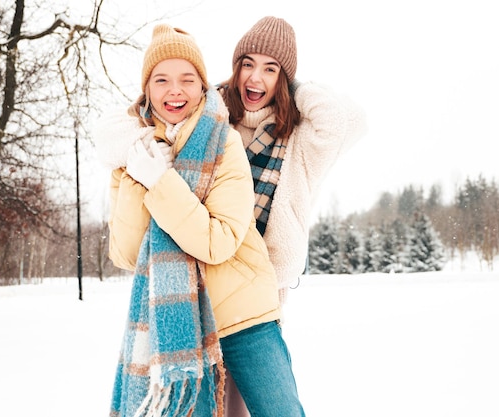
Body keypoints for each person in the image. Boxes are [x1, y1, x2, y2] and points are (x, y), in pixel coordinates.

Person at [93, 24, 306, 417]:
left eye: (187, 79)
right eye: (162, 80)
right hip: (179, 326)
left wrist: (161, 182)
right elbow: (126, 253)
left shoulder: (224, 142)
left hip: (245, 317)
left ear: (203, 87)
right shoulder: (134, 153)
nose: (175, 90)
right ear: (148, 90)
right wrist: (141, 175)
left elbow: (218, 242)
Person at [217, 16, 368, 415]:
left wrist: (296, 87)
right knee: (216, 405)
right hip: (205, 276)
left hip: (261, 288)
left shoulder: (299, 137)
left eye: (271, 69)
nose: (255, 78)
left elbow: (347, 119)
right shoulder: (213, 121)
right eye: (248, 64)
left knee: (271, 404)